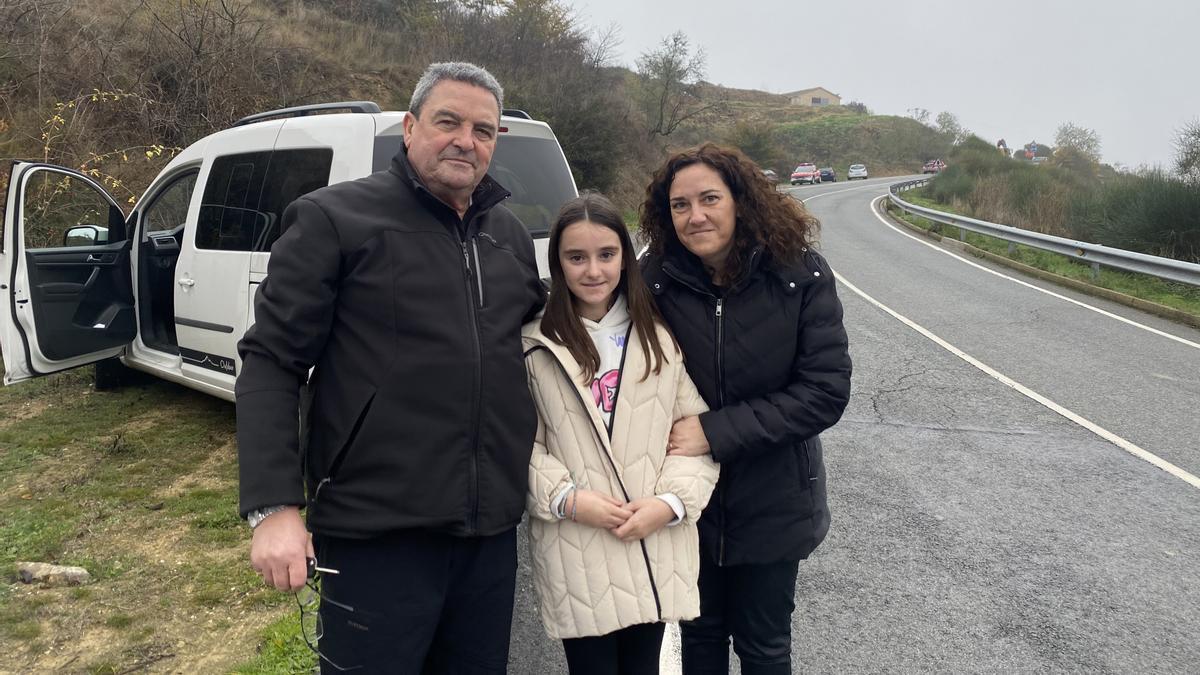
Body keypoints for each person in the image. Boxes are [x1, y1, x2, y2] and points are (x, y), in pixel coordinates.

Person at [235, 62, 545, 673]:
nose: (466, 139)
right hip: (377, 535)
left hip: (487, 536)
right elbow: (272, 360)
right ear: (409, 128)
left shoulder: (507, 236)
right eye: (448, 121)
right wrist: (275, 506)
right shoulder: (334, 221)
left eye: (484, 129)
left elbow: (539, 354)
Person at [638, 144, 852, 674]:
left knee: (764, 646)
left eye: (710, 198)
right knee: (701, 638)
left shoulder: (799, 275)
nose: (696, 215)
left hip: (774, 500)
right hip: (688, 501)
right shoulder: (653, 279)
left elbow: (825, 391)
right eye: (680, 205)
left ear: (739, 201)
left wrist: (715, 431)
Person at [522, 192, 719, 675]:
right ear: (558, 262)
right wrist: (566, 498)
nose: (593, 270)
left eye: (607, 254)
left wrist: (669, 505)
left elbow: (694, 437)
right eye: (576, 257)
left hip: (651, 539)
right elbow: (515, 443)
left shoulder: (659, 340)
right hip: (578, 545)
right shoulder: (534, 346)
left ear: (625, 259)